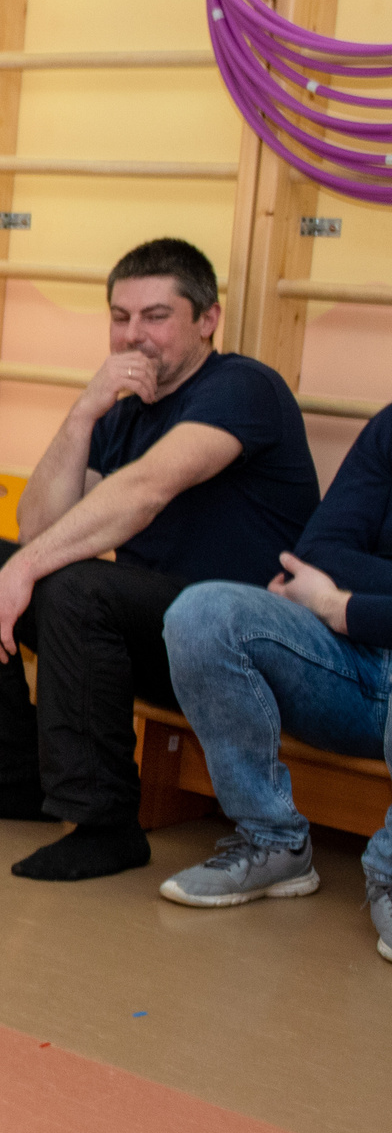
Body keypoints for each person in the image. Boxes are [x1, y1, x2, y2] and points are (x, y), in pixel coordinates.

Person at [0, 238, 319, 881]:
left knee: (77, 586)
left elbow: (144, 491)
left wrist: (22, 572)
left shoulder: (243, 387)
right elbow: (37, 525)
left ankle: (106, 825)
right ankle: (11, 779)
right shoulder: (120, 410)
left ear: (207, 320)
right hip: (146, 628)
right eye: (120, 317)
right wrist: (83, 413)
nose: (135, 336)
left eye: (156, 316)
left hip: (237, 639)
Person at [160, 404, 392, 963]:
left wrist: (345, 606)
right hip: (353, 670)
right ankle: (273, 841)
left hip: (348, 621)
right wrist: (344, 610)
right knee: (203, 613)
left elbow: (329, 577)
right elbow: (316, 552)